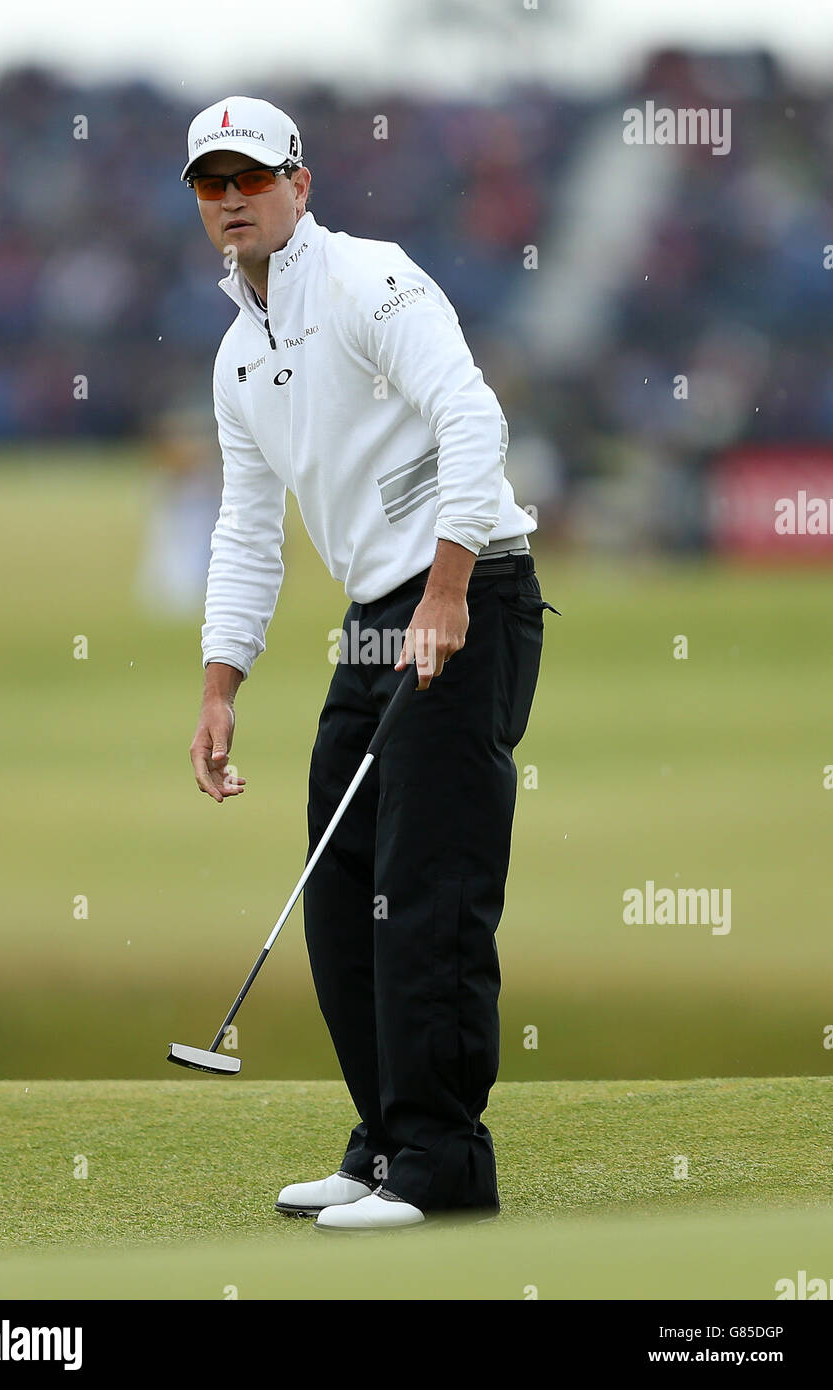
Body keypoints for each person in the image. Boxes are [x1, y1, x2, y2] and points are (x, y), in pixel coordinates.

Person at [185, 96, 559, 1232]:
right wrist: (219, 683)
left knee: (427, 892)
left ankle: (443, 1161)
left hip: (468, 591)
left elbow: (470, 416)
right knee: (343, 889)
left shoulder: (369, 282)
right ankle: (385, 1141)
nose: (233, 197)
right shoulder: (236, 355)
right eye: (211, 183)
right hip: (370, 616)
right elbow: (247, 528)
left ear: (301, 181)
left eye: (252, 175)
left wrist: (445, 588)